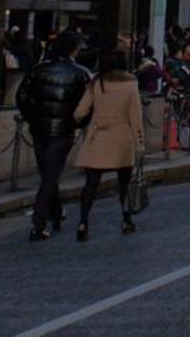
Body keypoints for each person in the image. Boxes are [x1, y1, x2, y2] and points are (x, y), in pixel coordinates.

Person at [15, 30, 90, 241]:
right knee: (50, 175)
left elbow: (21, 96)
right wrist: (78, 122)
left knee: (48, 172)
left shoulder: (39, 70)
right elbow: (87, 105)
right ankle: (39, 222)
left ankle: (55, 212)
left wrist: (32, 117)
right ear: (74, 49)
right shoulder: (80, 73)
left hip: (40, 128)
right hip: (63, 130)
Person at [72, 48, 146, 242]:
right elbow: (135, 116)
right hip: (121, 137)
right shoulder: (131, 83)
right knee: (124, 184)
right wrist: (140, 144)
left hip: (97, 136)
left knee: (91, 184)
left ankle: (83, 223)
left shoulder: (96, 82)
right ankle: (126, 219)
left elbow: (80, 112)